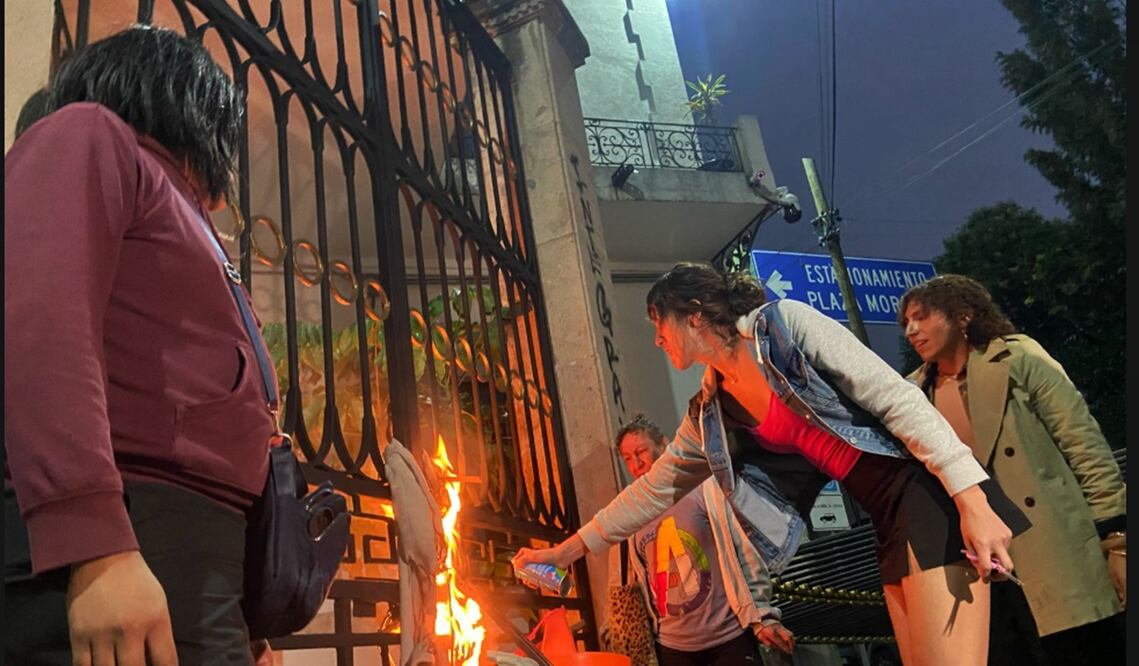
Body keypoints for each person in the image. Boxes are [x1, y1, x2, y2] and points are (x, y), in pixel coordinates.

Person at [513, 262, 1029, 666]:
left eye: (659, 324)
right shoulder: (710, 410)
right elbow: (653, 490)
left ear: (694, 315)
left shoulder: (784, 328)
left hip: (925, 496)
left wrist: (971, 499)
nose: (657, 339)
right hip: (885, 521)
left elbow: (898, 399)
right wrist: (568, 550)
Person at [5, 25, 276, 665]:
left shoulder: (180, 208)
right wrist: (94, 546)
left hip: (179, 561)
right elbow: (45, 321)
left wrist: (243, 620)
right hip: (121, 542)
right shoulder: (89, 135)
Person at [899, 274, 1126, 666]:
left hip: (1056, 551)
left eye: (921, 316)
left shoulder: (1019, 358)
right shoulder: (912, 396)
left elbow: (1084, 446)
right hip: (984, 569)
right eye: (905, 322)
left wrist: (1115, 533)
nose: (910, 330)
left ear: (963, 315)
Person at [601, 415, 794, 665]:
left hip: (729, 636)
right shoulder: (629, 513)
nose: (636, 464)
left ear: (665, 444)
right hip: (672, 647)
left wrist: (763, 616)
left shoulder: (705, 489)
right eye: (627, 458)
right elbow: (622, 582)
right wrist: (611, 628)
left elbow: (746, 553)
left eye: (642, 451)